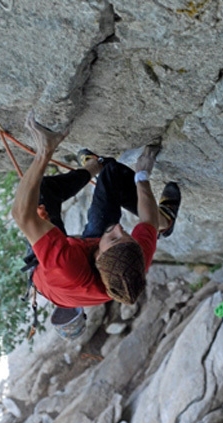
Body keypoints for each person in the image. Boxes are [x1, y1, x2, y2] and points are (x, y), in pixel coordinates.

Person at [12, 110, 181, 313]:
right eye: (126, 235)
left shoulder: (65, 267)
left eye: (114, 238)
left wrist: (44, 152)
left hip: (56, 278)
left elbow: (22, 214)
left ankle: (92, 166)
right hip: (87, 262)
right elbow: (148, 222)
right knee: (113, 173)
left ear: (98, 257)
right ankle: (165, 221)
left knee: (43, 192)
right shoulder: (132, 262)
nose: (118, 228)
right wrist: (142, 175)